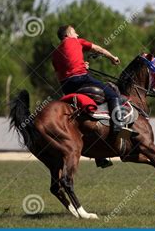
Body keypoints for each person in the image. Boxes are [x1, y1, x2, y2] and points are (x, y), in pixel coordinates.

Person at [52, 25, 135, 167]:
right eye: (75, 31)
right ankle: (119, 129)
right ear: (69, 33)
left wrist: (81, 65)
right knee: (112, 94)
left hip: (66, 86)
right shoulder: (77, 41)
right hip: (82, 79)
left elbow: (61, 71)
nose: (77, 34)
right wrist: (112, 57)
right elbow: (99, 49)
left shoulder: (55, 53)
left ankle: (99, 155)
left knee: (86, 112)